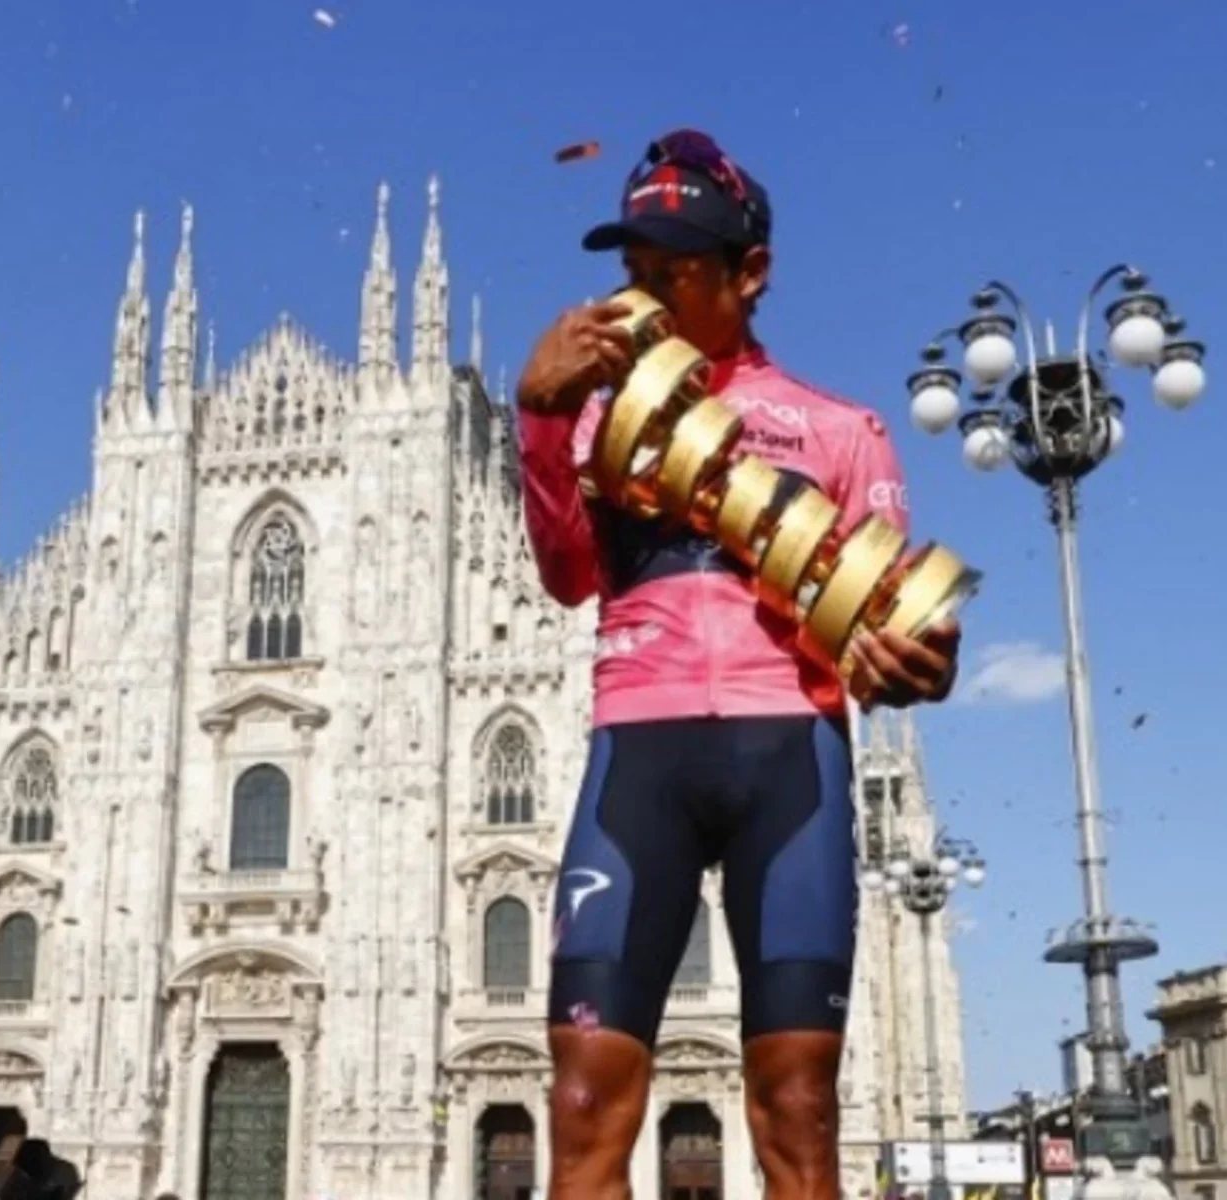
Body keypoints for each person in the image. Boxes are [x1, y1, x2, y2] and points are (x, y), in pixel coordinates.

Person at [516, 129, 962, 1200]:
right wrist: (536, 416)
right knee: (579, 1106)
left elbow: (911, 625)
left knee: (798, 1113)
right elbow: (570, 573)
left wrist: (923, 655)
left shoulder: (839, 428)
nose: (644, 299)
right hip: (640, 752)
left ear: (747, 274)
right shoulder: (591, 416)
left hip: (786, 758)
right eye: (631, 273)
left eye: (673, 273)